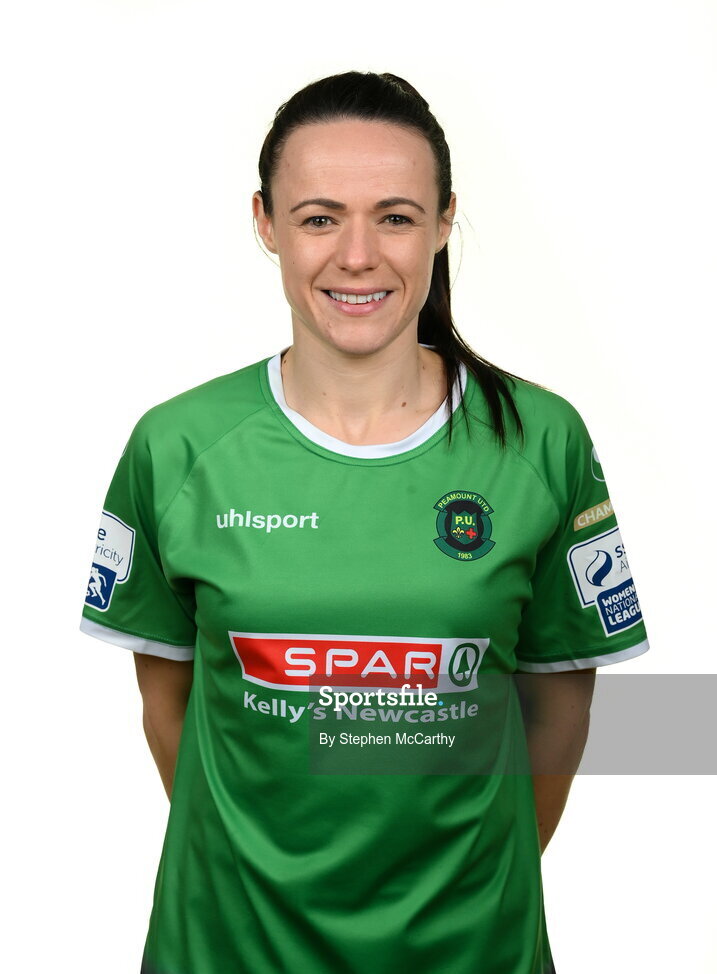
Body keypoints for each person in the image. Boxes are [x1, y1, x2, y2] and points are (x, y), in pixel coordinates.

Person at [80, 70, 650, 974]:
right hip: (225, 948)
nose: (357, 255)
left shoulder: (540, 440)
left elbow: (559, 714)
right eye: (317, 217)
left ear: (442, 220)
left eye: (394, 215)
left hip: (470, 952)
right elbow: (168, 707)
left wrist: (464, 885)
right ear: (265, 223)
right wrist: (258, 865)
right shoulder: (177, 445)